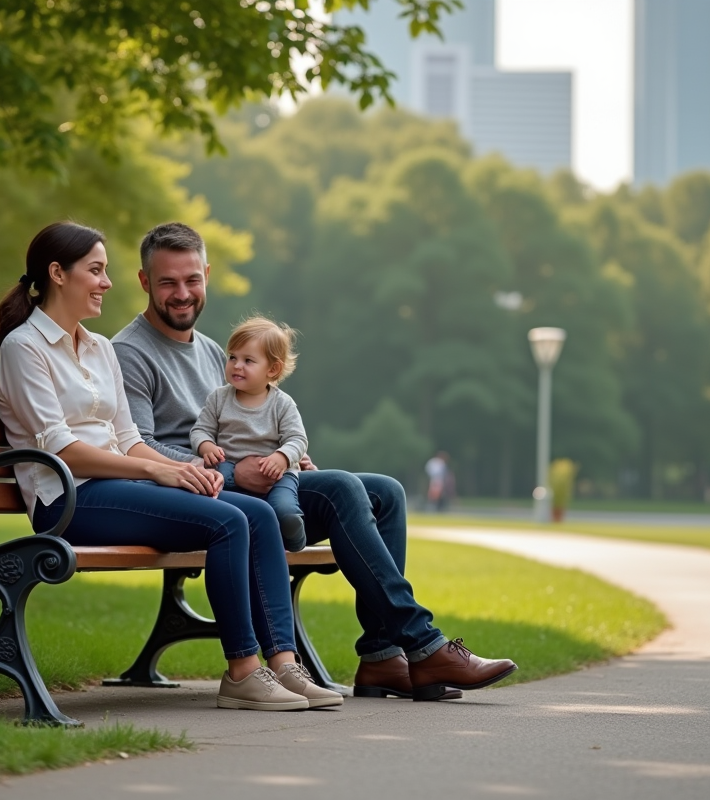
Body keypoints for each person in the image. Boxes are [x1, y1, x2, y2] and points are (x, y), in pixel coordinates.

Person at [112, 222, 518, 701]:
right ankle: (424, 644)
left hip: (257, 482)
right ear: (145, 282)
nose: (182, 293)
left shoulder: (213, 351)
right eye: (168, 282)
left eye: (192, 279)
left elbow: (247, 418)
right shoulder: (129, 352)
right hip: (201, 495)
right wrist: (228, 470)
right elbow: (137, 446)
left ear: (207, 275)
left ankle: (383, 656)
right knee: (342, 488)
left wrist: (288, 454)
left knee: (385, 492)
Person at [0, 221, 342, 711]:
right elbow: (61, 449)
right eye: (96, 270)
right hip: (67, 498)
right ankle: (243, 671)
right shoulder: (23, 347)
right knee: (227, 522)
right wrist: (158, 472)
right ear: (58, 274)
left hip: (117, 488)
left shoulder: (98, 348)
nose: (107, 282)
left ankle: (284, 664)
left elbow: (129, 440)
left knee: (258, 514)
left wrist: (186, 469)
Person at [191, 316, 309, 553]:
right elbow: (200, 430)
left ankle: (294, 536)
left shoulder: (282, 404)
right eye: (232, 357)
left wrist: (282, 457)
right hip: (228, 466)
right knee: (214, 489)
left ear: (272, 369)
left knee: (284, 508)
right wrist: (206, 446)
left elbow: (297, 439)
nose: (236, 365)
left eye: (248, 360)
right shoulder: (219, 398)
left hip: (277, 475)